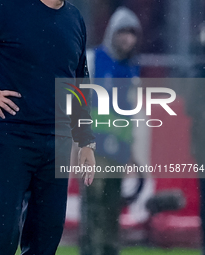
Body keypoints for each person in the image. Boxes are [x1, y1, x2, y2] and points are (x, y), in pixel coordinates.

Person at [0, 0, 96, 254]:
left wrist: (86, 140)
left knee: (47, 238)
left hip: (58, 140)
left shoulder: (74, 18)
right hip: (11, 134)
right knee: (3, 234)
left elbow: (80, 82)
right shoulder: (6, 8)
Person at [78, 7, 142, 255]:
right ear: (112, 33)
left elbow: (129, 115)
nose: (129, 39)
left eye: (133, 34)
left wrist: (132, 152)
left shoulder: (132, 69)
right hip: (94, 149)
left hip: (118, 152)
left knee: (111, 210)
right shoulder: (94, 60)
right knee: (93, 208)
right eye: (124, 32)